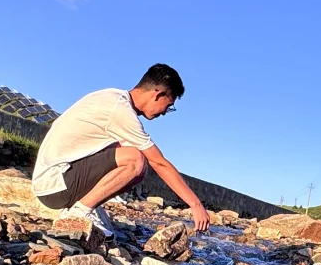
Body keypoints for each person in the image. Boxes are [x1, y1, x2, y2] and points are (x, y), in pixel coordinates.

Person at [32, 63, 210, 236]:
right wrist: (195, 204)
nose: (164, 112)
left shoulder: (114, 97)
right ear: (158, 94)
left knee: (130, 153)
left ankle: (85, 206)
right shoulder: (121, 110)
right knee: (135, 159)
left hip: (56, 181)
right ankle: (79, 211)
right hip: (54, 186)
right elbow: (159, 162)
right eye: (168, 106)